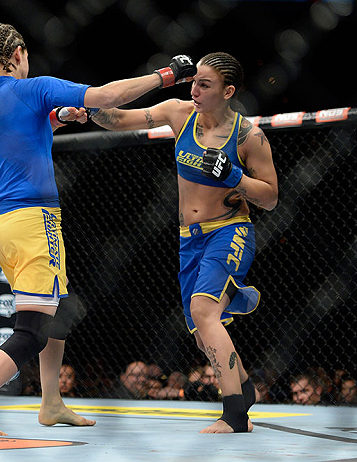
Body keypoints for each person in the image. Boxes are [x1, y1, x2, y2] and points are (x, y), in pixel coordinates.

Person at [0, 22, 196, 437]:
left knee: (56, 308)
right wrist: (166, 76)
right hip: (33, 219)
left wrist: (57, 118)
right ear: (18, 52)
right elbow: (108, 96)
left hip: (2, 224)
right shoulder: (33, 87)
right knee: (32, 330)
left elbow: (19, 136)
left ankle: (51, 402)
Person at [90, 52, 278, 433]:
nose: (194, 90)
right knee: (200, 331)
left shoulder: (248, 136)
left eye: (204, 85)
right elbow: (120, 119)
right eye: (193, 82)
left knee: (205, 312)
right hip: (188, 239)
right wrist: (87, 107)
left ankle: (235, 415)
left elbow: (271, 197)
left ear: (228, 91)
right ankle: (243, 386)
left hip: (229, 231)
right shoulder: (179, 113)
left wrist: (236, 178)